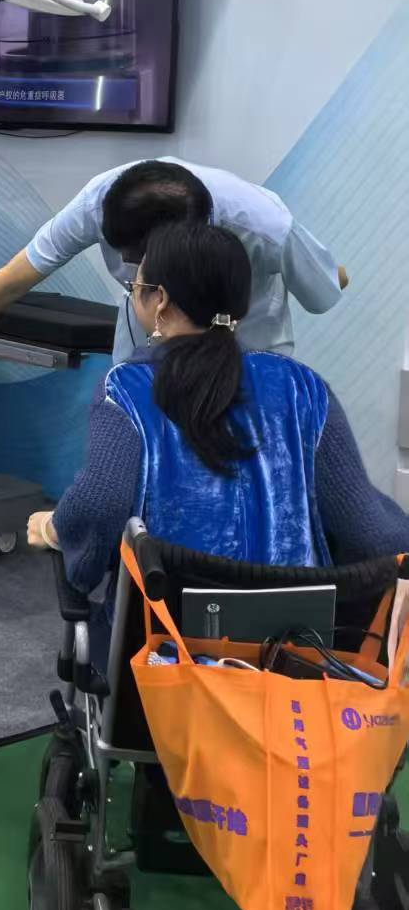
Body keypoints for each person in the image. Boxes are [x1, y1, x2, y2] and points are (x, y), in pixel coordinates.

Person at [27, 221, 409, 652]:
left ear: (160, 300)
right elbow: (372, 533)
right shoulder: (302, 388)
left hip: (163, 658)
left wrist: (54, 530)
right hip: (297, 657)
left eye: (136, 287)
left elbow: (99, 502)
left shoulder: (125, 390)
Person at [0, 158, 348, 384]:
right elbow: (15, 276)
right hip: (143, 354)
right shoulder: (101, 200)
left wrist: (313, 268)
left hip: (247, 352)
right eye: (137, 277)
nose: (144, 289)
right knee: (128, 445)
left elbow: (328, 285)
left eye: (150, 278)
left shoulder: (264, 227)